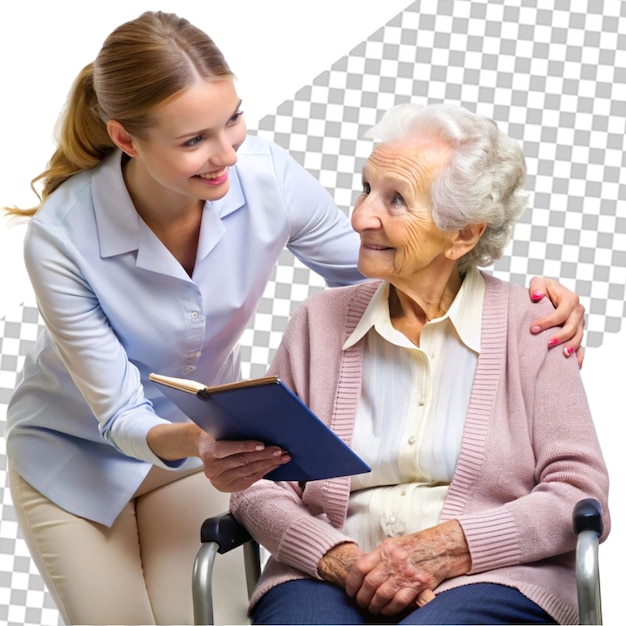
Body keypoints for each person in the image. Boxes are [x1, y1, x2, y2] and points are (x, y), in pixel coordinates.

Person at [2, 10, 585, 626]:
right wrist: (203, 439)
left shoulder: (264, 175)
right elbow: (121, 414)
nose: (226, 153)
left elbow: (383, 266)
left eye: (232, 120)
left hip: (211, 456)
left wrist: (524, 304)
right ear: (127, 140)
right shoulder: (60, 237)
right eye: (194, 140)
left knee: (218, 619)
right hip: (79, 457)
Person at [230, 103, 610, 625]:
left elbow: (577, 492)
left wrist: (450, 546)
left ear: (464, 234)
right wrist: (339, 559)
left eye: (397, 200)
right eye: (366, 189)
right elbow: (260, 481)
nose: (361, 217)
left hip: (493, 577)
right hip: (329, 573)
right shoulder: (318, 321)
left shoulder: (535, 325)